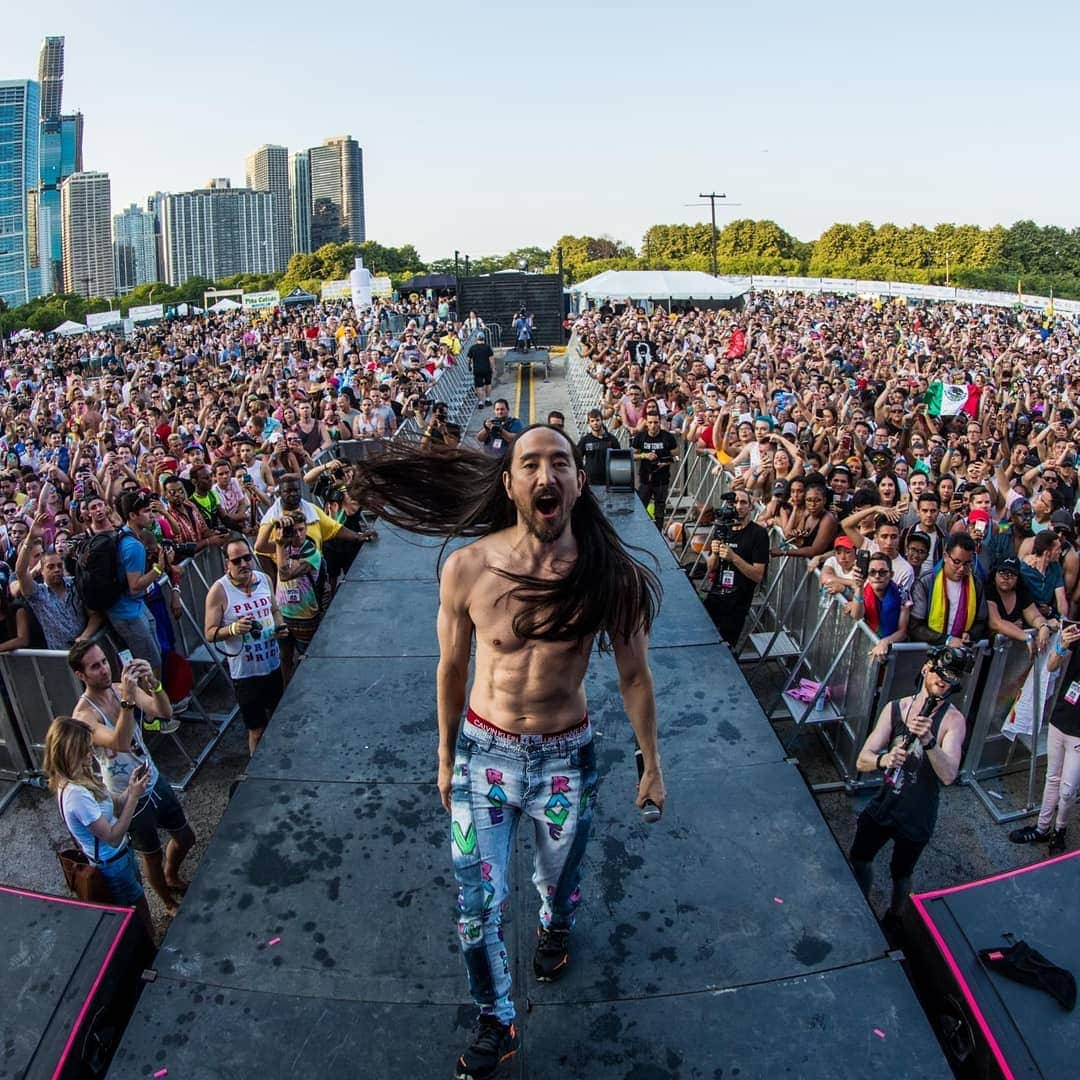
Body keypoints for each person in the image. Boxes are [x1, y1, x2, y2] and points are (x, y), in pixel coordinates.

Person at [345, 427, 664, 1080]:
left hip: (565, 763)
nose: (546, 475)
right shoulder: (467, 568)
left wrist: (651, 761)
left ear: (578, 481)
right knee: (474, 905)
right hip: (482, 758)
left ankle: (554, 926)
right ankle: (496, 1019)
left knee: (558, 884)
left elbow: (634, 677)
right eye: (531, 464)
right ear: (509, 483)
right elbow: (450, 669)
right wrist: (443, 755)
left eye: (561, 463)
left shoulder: (609, 574)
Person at [68, 642, 194, 916]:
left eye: (104, 661)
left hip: (152, 777)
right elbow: (119, 742)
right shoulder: (83, 716)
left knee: (185, 837)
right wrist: (127, 699)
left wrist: (154, 683)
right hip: (127, 794)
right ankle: (168, 903)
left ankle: (170, 875)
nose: (104, 669)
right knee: (151, 854)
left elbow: (165, 712)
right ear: (81, 675)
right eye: (95, 666)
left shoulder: (118, 689)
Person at [850, 647, 969, 928]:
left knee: (901, 874)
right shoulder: (896, 708)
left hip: (918, 813)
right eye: (940, 674)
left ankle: (895, 916)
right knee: (859, 858)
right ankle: (864, 903)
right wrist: (884, 759)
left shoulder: (953, 721)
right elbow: (862, 759)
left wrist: (929, 741)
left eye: (951, 678)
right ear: (927, 668)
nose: (944, 681)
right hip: (885, 804)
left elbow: (949, 774)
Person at [43, 715, 154, 937]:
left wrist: (131, 788)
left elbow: (114, 805)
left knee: (138, 905)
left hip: (121, 856)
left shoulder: (82, 778)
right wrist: (133, 797)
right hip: (112, 865)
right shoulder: (76, 795)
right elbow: (112, 836)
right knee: (136, 914)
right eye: (84, 749)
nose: (90, 754)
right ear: (69, 752)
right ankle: (151, 953)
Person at [204, 533, 288, 754]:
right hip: (246, 675)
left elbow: (274, 609)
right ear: (227, 565)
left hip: (271, 666)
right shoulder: (219, 591)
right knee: (257, 730)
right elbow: (209, 633)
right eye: (236, 560)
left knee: (279, 719)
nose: (243, 564)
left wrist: (280, 626)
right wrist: (232, 629)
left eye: (246, 558)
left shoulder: (264, 579)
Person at [1009, 620, 1080, 855]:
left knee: (1068, 789)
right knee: (1052, 778)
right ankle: (1042, 829)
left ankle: (1059, 830)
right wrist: (1061, 645)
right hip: (1061, 718)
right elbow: (1051, 666)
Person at [14, 513, 101, 648]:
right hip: (59, 657)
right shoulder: (38, 594)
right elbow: (20, 572)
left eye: (59, 565)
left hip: (86, 649)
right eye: (51, 567)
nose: (56, 569)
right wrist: (31, 537)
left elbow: (95, 615)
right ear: (41, 570)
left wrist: (84, 637)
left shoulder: (75, 585)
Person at [701, 490, 770, 647]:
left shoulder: (758, 534)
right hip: (716, 594)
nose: (738, 506)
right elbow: (711, 568)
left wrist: (734, 558)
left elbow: (758, 576)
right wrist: (714, 554)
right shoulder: (722, 527)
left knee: (726, 647)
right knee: (703, 639)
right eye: (734, 502)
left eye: (743, 502)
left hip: (738, 601)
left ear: (751, 507)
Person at [909, 533, 988, 646]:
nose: (961, 569)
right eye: (957, 562)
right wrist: (947, 640)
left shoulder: (976, 584)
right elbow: (915, 627)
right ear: (945, 556)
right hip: (928, 652)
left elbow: (981, 621)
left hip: (961, 651)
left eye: (967, 564)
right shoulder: (925, 582)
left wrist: (971, 634)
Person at [847, 552, 911, 661]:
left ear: (891, 574)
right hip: (866, 647)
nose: (877, 576)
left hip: (892, 651)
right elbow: (856, 616)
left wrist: (885, 642)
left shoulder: (902, 596)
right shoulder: (863, 591)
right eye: (872, 572)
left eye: (882, 572)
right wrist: (859, 587)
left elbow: (902, 632)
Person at [630, 412, 677, 531]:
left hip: (662, 479)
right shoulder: (640, 437)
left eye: (656, 422)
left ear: (659, 422)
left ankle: (659, 533)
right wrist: (644, 455)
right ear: (646, 423)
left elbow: (676, 456)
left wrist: (665, 463)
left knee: (660, 510)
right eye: (650, 422)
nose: (653, 425)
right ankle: (639, 532)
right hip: (645, 478)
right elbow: (631, 455)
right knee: (641, 507)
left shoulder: (668, 437)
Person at [576, 408, 620, 487]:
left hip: (609, 481)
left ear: (602, 420)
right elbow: (577, 458)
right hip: (590, 482)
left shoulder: (612, 440)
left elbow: (618, 460)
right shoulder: (585, 440)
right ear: (588, 423)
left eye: (597, 420)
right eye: (592, 421)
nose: (595, 423)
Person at [467, 332, 494, 407]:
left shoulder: (472, 348)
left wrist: (469, 366)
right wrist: (493, 368)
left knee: (479, 386)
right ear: (484, 338)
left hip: (477, 370)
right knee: (488, 384)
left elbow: (468, 359)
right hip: (487, 369)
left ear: (476, 339)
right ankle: (488, 399)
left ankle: (480, 403)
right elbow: (491, 359)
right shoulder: (487, 347)